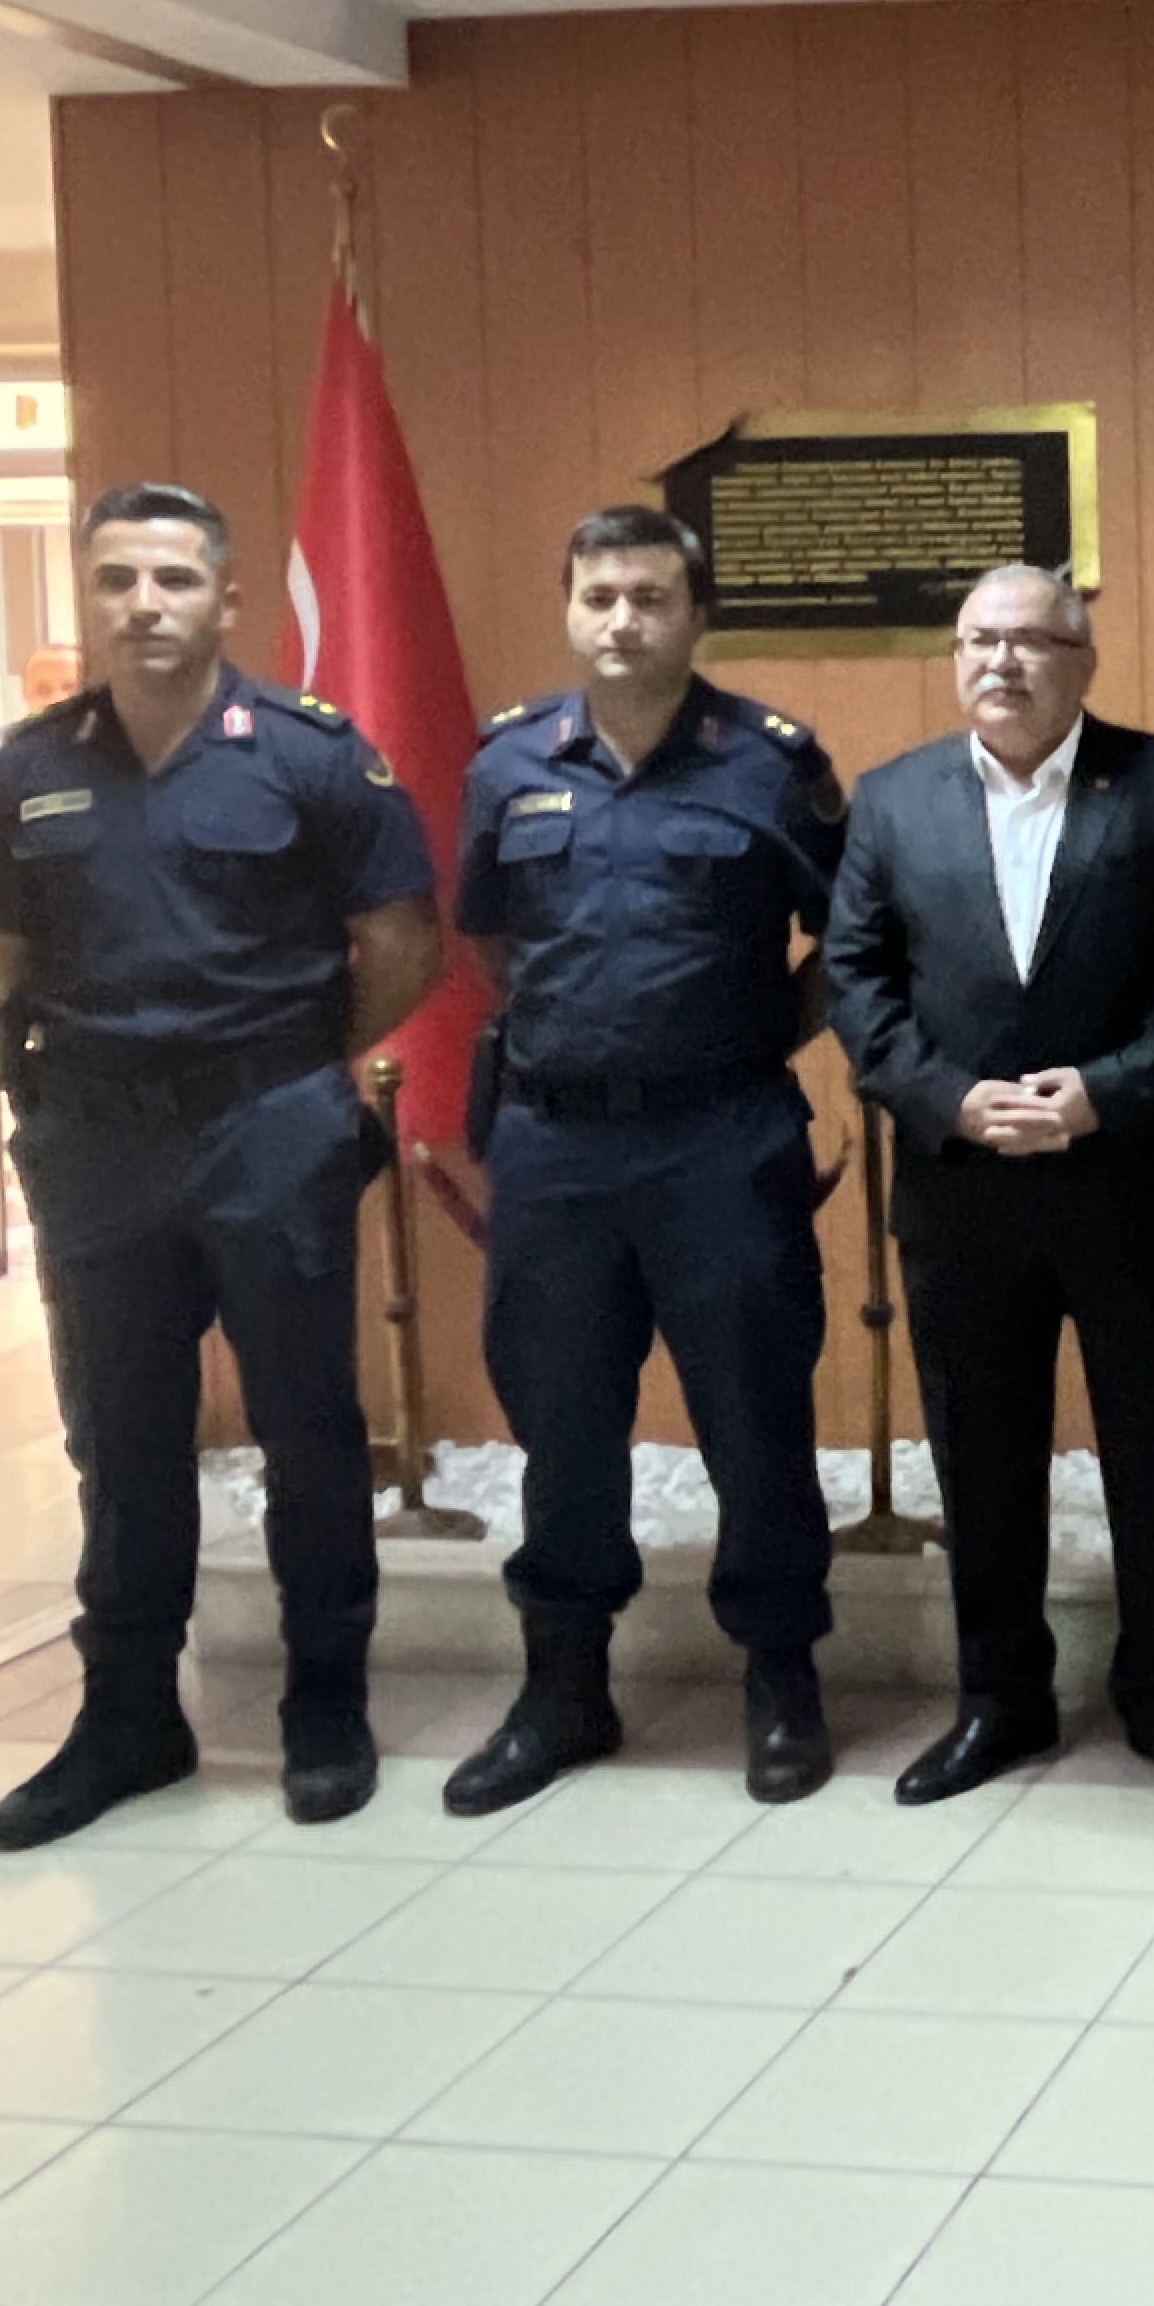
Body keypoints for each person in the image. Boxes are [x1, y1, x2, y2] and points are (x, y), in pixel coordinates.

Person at [0, 481, 443, 1848]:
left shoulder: (306, 754)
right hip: (100, 1144)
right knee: (120, 1437)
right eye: (117, 580)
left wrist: (288, 1065)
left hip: (266, 1129)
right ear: (90, 596)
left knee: (308, 1427)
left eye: (172, 580)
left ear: (226, 599)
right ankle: (127, 1716)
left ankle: (325, 1704)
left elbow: (406, 943)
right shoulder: (30, 768)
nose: (144, 605)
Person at [441, 506, 848, 1817]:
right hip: (555, 1147)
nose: (623, 620)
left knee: (756, 1415)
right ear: (571, 608)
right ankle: (564, 1686)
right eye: (600, 596)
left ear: (696, 614)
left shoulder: (772, 763)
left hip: (720, 1139)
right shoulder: (510, 762)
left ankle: (780, 1675)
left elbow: (849, 940)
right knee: (560, 1422)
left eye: (651, 597)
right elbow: (492, 944)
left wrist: (745, 1040)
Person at [826, 563, 1154, 1805]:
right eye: (977, 641)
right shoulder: (892, 798)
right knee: (982, 1456)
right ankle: (999, 1702)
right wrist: (947, 1097)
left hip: (1129, 1181)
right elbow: (856, 979)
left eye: (1028, 641)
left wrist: (1108, 1090)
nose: (1000, 662)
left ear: (1083, 660)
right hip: (963, 1188)